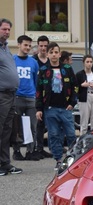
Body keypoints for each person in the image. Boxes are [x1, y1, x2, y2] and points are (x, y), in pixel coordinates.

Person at [35, 42, 78, 170]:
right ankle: (59, 159)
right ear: (47, 54)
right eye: (51, 52)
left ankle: (72, 158)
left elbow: (75, 86)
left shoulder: (67, 69)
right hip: (50, 109)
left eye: (56, 52)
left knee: (71, 134)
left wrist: (72, 102)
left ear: (59, 54)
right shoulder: (43, 71)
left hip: (65, 108)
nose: (54, 55)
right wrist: (38, 109)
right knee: (53, 135)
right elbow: (38, 90)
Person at [12, 35, 40, 161]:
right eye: (25, 45)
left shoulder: (33, 62)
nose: (28, 47)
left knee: (32, 126)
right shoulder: (12, 60)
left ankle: (30, 150)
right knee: (16, 126)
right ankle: (17, 151)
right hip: (17, 97)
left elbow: (36, 80)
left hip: (30, 98)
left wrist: (34, 94)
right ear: (19, 45)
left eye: (29, 45)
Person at [0, 18, 21, 176]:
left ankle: (5, 164)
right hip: (1, 95)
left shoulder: (6, 48)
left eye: (8, 30)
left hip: (11, 95)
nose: (7, 32)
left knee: (7, 132)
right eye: (4, 29)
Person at [33, 35, 53, 159]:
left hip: (50, 97)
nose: (43, 48)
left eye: (46, 46)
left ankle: (50, 148)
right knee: (38, 124)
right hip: (37, 95)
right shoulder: (34, 60)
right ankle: (37, 148)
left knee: (50, 124)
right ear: (38, 46)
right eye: (41, 46)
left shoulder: (52, 60)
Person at [75, 54, 93, 134]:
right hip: (84, 97)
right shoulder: (79, 74)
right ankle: (83, 142)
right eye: (87, 62)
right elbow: (75, 87)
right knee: (84, 122)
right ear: (84, 63)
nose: (89, 64)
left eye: (91, 62)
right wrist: (82, 85)